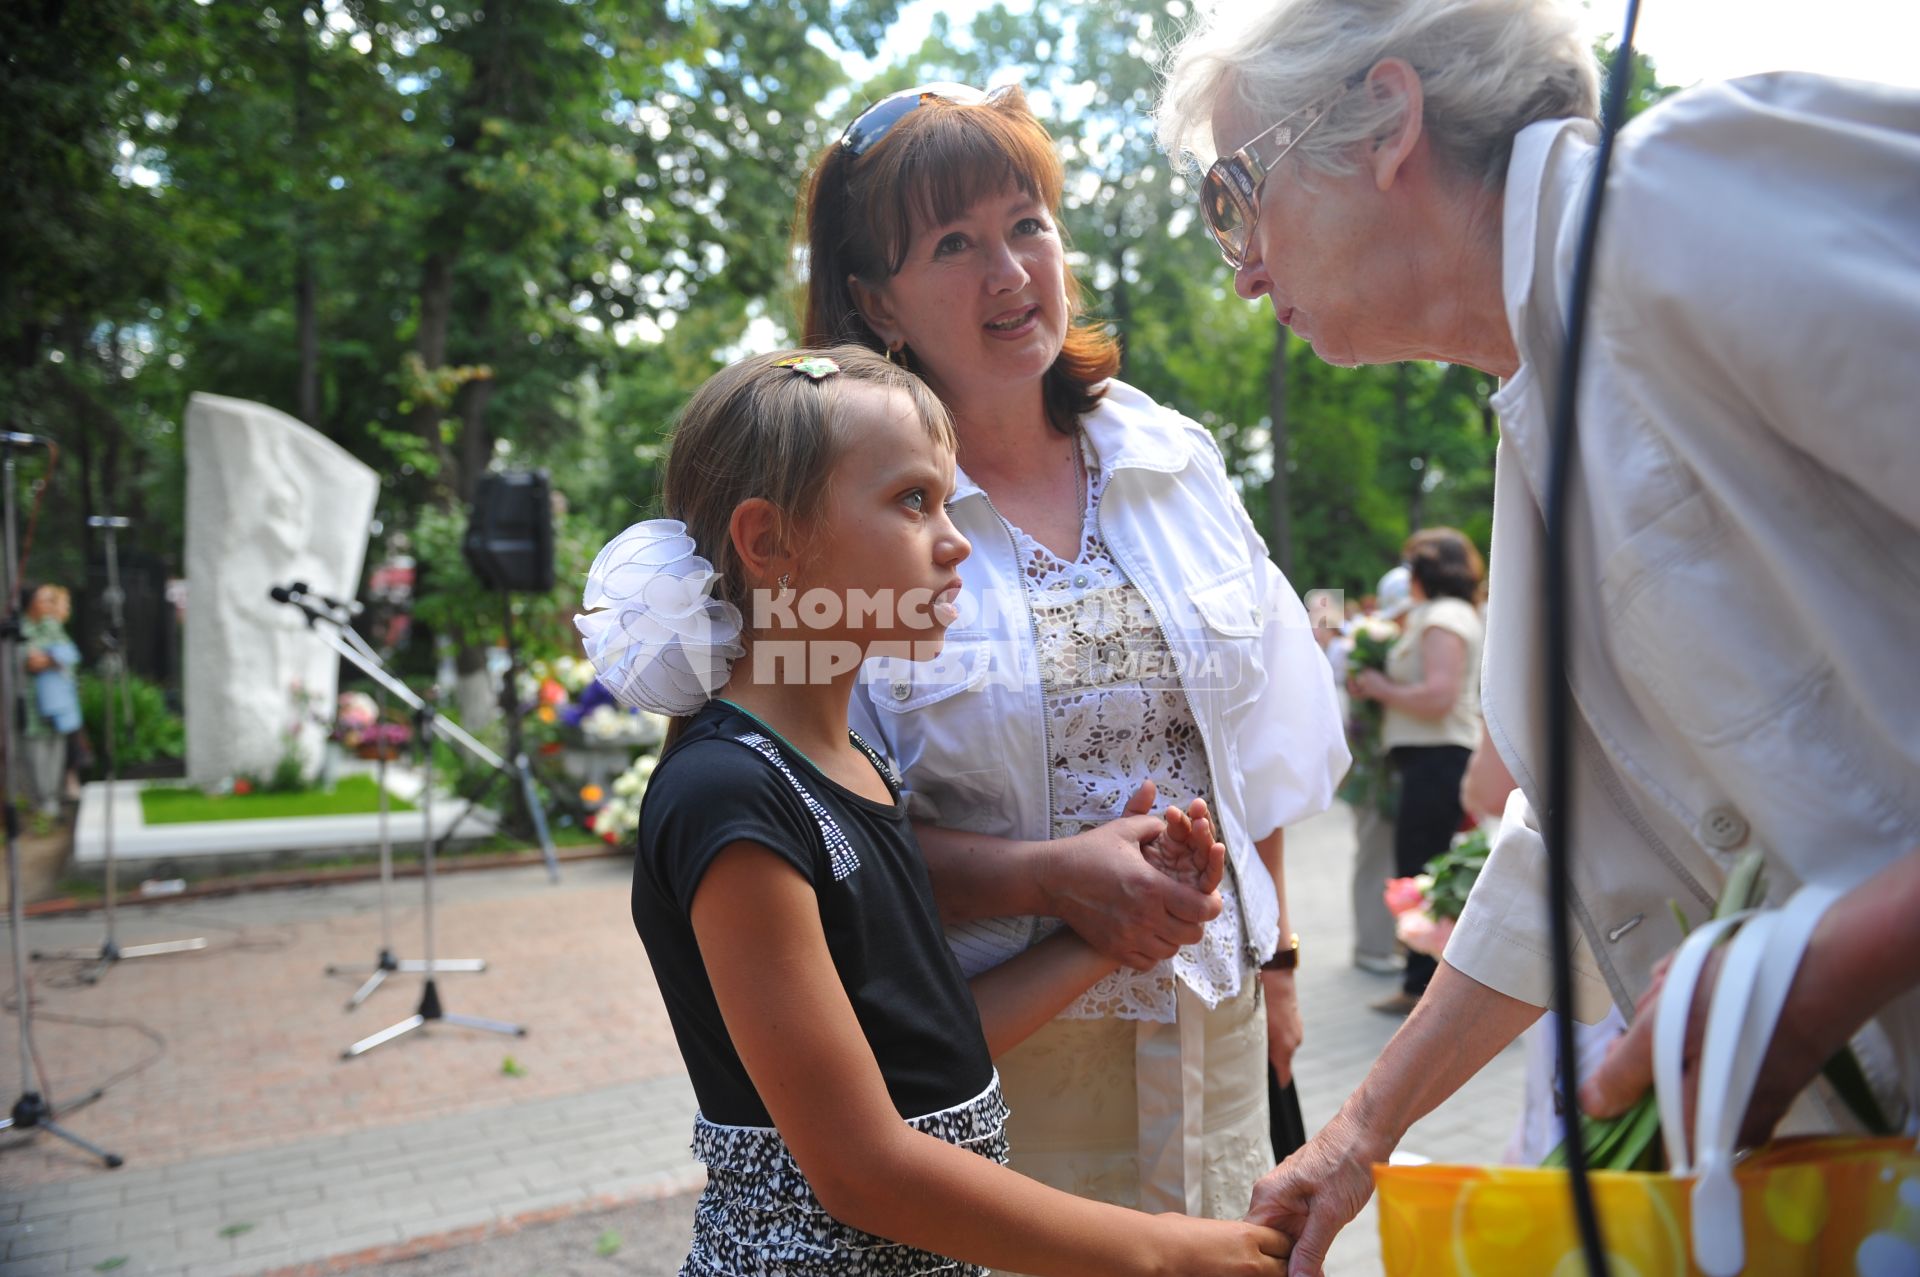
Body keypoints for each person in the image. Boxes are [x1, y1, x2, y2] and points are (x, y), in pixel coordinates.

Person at [1157, 2, 1920, 1271]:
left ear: (1388, 121)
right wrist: (1361, 1128)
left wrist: (1841, 953)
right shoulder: (1537, 399)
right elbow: (1564, 854)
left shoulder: (1679, 205)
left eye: (1237, 192)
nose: (1238, 265)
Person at [577, 346, 1290, 1276]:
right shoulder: (730, 796)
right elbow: (865, 1170)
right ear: (770, 543)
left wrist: (1113, 928)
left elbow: (927, 1045)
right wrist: (1166, 1251)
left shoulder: (851, 766)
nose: (954, 538)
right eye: (914, 501)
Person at [796, 84, 1350, 1222]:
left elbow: (1254, 743)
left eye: (1028, 222)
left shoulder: (1172, 456)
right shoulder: (840, 511)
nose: (1010, 270)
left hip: (1219, 1035)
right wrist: (1047, 875)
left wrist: (1282, 958)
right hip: (1000, 1069)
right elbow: (814, 830)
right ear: (872, 299)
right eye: (953, 242)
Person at [1348, 529, 1484, 1015]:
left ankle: (1424, 991)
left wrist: (1381, 687)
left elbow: (1438, 696)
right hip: (1435, 757)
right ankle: (1428, 987)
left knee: (1421, 876)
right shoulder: (1446, 614)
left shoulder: (1443, 616)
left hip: (1437, 758)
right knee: (1424, 872)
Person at [21, 584, 87, 818]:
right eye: (44, 601)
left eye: (52, 601)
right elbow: (32, 662)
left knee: (56, 751)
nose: (49, 606)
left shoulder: (51, 627)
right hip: (31, 706)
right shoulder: (22, 628)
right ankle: (42, 806)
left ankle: (52, 802)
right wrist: (55, 658)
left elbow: (70, 655)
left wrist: (50, 657)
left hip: (58, 704)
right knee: (38, 754)